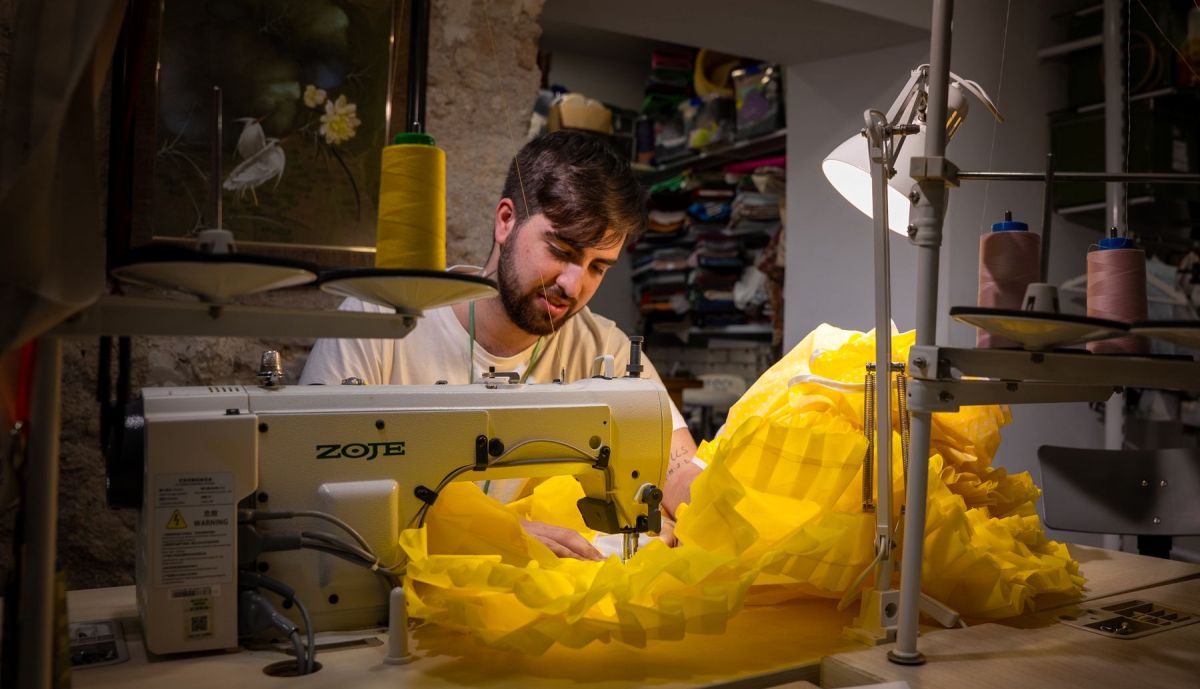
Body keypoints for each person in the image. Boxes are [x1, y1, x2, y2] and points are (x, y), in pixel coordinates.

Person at [301, 130, 699, 559]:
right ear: (506, 221)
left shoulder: (606, 347)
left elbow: (676, 470)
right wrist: (486, 533)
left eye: (598, 266)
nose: (574, 283)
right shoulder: (376, 326)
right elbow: (316, 491)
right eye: (562, 250)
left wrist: (715, 512)